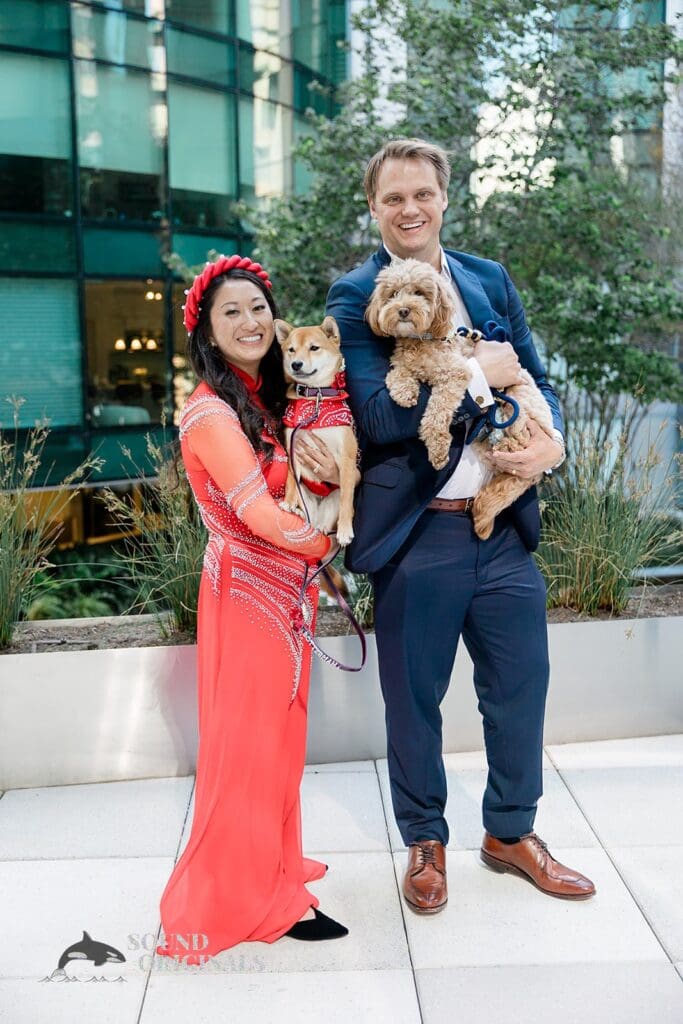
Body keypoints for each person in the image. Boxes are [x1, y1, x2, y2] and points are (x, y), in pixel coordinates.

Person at [326, 139, 596, 914]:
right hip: (418, 532)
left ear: (444, 198)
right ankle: (424, 842)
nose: (409, 209)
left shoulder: (486, 278)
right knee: (414, 698)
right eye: (392, 198)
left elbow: (535, 375)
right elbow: (379, 418)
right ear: (373, 207)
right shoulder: (355, 294)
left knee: (520, 686)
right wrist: (483, 373)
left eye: (422, 194)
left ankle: (510, 833)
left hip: (502, 520)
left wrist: (551, 445)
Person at [156, 255, 348, 964]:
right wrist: (334, 543)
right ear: (207, 330)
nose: (250, 322)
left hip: (286, 594)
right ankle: (244, 898)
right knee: (248, 753)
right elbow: (261, 515)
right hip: (245, 597)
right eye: (230, 311)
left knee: (280, 750)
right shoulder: (208, 411)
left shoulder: (268, 400)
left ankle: (272, 872)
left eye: (259, 307)